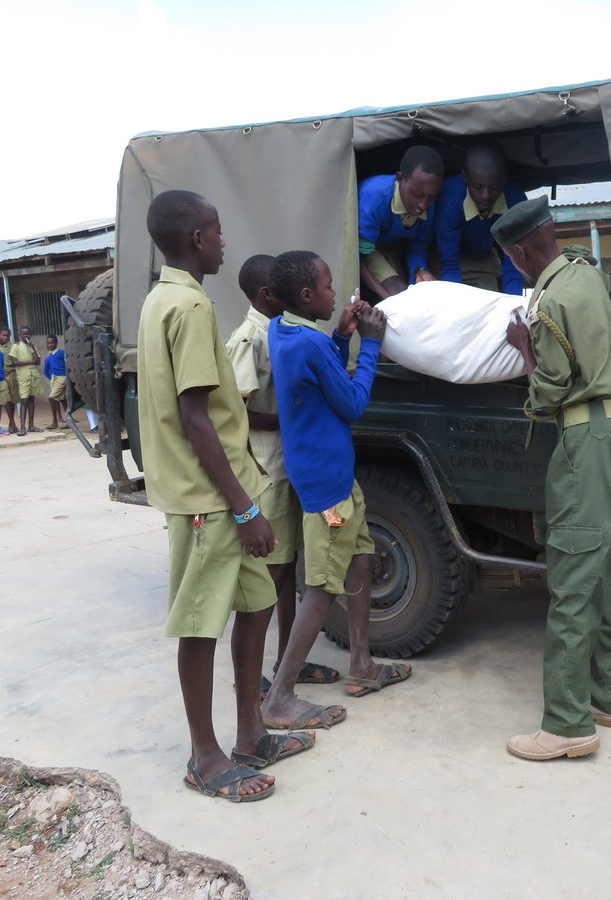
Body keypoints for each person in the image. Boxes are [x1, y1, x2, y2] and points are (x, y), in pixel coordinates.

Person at [138, 189, 313, 804]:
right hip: (206, 500)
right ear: (195, 240)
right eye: (216, 231)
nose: (223, 241)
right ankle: (204, 756)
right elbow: (196, 417)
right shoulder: (186, 307)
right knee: (201, 625)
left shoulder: (172, 298)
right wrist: (241, 507)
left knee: (257, 600)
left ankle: (251, 733)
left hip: (230, 490)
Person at [496, 196, 611, 761]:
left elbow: (548, 393)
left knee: (572, 582)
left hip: (585, 440)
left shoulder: (548, 302)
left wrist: (525, 350)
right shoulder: (587, 274)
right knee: (606, 571)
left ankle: (565, 724)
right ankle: (607, 696)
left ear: (517, 253)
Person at [261, 250, 411, 731]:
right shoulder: (310, 345)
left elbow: (316, 372)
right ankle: (279, 697)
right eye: (328, 286)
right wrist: (369, 344)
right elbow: (351, 403)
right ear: (307, 296)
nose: (336, 292)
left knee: (362, 556)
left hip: (334, 477)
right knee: (322, 588)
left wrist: (342, 335)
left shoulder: (284, 329)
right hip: (328, 487)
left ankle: (362, 665)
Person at [225, 255, 341, 694]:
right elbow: (236, 410)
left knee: (288, 570)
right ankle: (252, 676)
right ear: (265, 295)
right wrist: (290, 422)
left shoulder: (282, 332)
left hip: (289, 465)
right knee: (267, 576)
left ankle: (289, 660)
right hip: (266, 469)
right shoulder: (250, 338)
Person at [434, 143, 527, 294]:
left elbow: (514, 264)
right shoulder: (449, 200)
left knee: (489, 299)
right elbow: (449, 265)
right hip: (442, 256)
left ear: (504, 179)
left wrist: (515, 305)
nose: (486, 196)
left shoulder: (515, 202)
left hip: (482, 255)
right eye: (477, 187)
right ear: (465, 178)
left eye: (494, 187)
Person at [358, 145, 444, 300]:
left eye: (430, 198)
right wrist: (388, 297)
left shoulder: (428, 204)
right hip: (368, 249)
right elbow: (359, 258)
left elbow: (418, 246)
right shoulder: (374, 200)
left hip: (393, 248)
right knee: (398, 292)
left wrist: (419, 269)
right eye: (418, 195)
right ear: (399, 178)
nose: (423, 205)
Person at [8, 325, 44, 436]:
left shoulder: (31, 346)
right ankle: (22, 427)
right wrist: (30, 362)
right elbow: (14, 362)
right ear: (19, 335)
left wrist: (33, 348)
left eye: (28, 334)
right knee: (24, 400)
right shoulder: (16, 346)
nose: (26, 336)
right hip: (23, 377)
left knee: (32, 400)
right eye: (24, 334)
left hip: (33, 376)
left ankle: (31, 426)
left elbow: (38, 362)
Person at [42, 335, 67, 430]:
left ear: (56, 343)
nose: (50, 345)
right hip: (54, 379)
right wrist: (51, 378)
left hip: (62, 378)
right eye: (48, 343)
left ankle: (55, 422)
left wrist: (65, 379)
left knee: (51, 398)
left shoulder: (61, 353)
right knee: (62, 399)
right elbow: (46, 370)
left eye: (52, 343)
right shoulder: (48, 357)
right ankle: (69, 420)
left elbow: (67, 365)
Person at [0, 327, 19, 426]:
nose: (5, 338)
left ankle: (11, 423)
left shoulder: (12, 347)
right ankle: (12, 422)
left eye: (7, 336)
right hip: (0, 375)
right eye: (3, 335)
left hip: (11, 374)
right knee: (5, 399)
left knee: (12, 399)